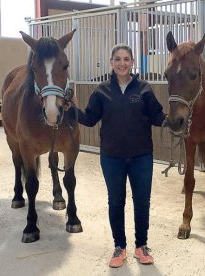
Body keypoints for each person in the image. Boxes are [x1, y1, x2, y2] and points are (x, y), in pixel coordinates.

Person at [70, 44, 166, 267]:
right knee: (116, 201)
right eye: (118, 59)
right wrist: (70, 109)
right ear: (111, 62)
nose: (122, 63)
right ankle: (119, 247)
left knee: (142, 202)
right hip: (112, 157)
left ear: (132, 62)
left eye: (126, 59)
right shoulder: (102, 90)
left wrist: (176, 120)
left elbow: (158, 116)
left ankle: (141, 246)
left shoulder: (144, 88)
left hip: (142, 156)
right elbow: (90, 118)